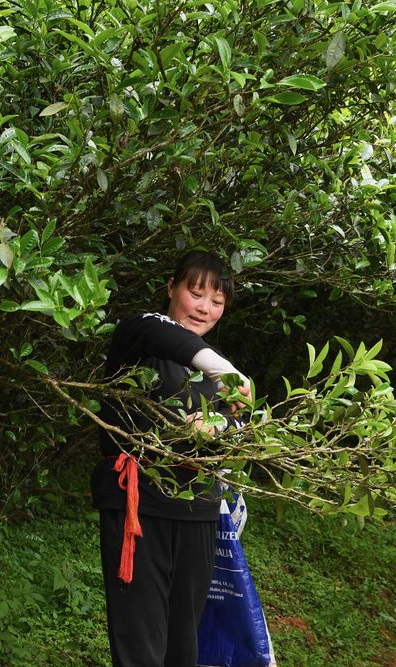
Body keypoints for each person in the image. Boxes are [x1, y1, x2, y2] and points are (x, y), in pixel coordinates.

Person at [91, 250, 252, 667]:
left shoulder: (218, 381)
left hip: (198, 513)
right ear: (171, 288)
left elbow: (246, 434)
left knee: (183, 645)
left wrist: (223, 429)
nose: (205, 308)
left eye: (217, 301)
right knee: (141, 643)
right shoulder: (139, 339)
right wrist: (223, 369)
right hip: (139, 509)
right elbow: (154, 328)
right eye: (196, 293)